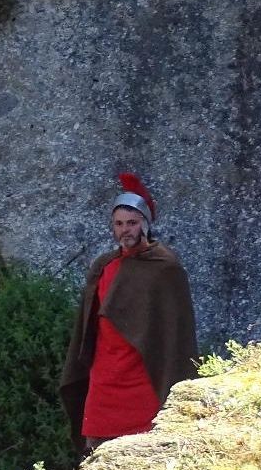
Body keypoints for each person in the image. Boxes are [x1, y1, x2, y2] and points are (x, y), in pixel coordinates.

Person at [60, 173, 198, 451]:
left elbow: (175, 335)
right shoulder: (103, 265)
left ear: (145, 225)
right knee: (96, 453)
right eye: (119, 224)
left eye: (132, 223)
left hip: (143, 379)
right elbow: (88, 327)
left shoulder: (165, 267)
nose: (126, 230)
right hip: (104, 378)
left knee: (143, 454)